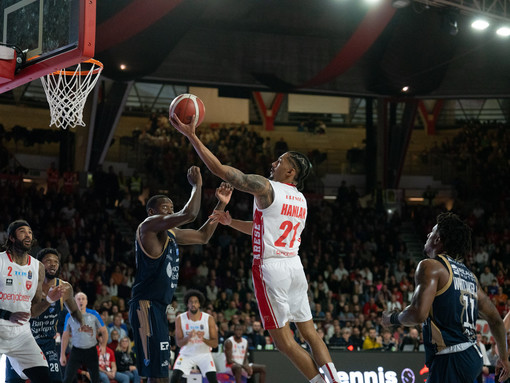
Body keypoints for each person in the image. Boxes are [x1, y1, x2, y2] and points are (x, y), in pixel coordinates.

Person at [171, 118, 341, 383]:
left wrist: (192, 135)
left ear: (291, 171)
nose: (274, 163)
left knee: (284, 342)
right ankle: (335, 379)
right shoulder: (301, 200)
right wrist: (231, 222)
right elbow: (264, 228)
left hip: (271, 269)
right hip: (295, 267)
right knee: (310, 333)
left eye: (281, 160)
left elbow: (222, 171)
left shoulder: (266, 187)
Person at [129, 170, 232, 383]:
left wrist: (220, 205)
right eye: (165, 209)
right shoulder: (147, 227)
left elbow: (203, 236)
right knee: (157, 375)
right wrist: (197, 186)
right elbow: (190, 214)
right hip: (145, 306)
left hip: (158, 307)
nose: (170, 212)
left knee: (158, 374)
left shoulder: (172, 234)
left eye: (171, 208)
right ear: (151, 212)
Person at [382, 212, 510, 383]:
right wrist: (504, 357)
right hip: (471, 357)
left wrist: (391, 318)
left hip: (451, 357)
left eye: (432, 231)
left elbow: (418, 314)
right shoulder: (470, 277)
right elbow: (496, 320)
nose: (428, 234)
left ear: (438, 239)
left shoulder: (430, 266)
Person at [5, 248, 91, 383]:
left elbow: (74, 311)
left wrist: (82, 323)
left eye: (56, 262)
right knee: (13, 381)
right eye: (48, 261)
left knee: (55, 381)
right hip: (22, 342)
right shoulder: (27, 283)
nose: (53, 264)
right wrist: (49, 300)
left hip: (47, 344)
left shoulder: (65, 288)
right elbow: (32, 313)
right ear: (39, 264)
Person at [0, 220, 64, 383]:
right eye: (22, 231)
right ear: (12, 238)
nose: (28, 235)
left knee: (45, 377)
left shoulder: (36, 267)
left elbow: (33, 311)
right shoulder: (1, 261)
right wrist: (7, 315)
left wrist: (49, 299)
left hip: (20, 334)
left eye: (30, 232)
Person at [60, 292, 109, 383]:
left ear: (86, 301)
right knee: (67, 378)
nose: (81, 301)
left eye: (83, 299)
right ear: (74, 301)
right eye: (78, 299)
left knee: (95, 379)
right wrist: (62, 354)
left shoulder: (94, 314)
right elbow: (65, 335)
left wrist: (103, 345)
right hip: (76, 351)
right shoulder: (69, 315)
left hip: (91, 350)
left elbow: (104, 331)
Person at [171, 289, 218, 383]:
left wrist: (203, 339)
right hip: (186, 354)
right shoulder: (180, 318)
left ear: (199, 304)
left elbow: (215, 344)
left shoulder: (209, 318)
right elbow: (179, 343)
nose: (193, 304)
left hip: (204, 354)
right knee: (175, 378)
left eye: (196, 302)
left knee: (213, 380)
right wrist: (188, 338)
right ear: (187, 304)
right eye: (191, 302)